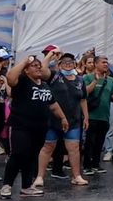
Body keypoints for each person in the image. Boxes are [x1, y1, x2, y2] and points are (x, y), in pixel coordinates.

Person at [1, 54, 67, 198]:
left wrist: (63, 118)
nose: (38, 68)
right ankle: (7, 184)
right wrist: (25, 60)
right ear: (26, 70)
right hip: (21, 125)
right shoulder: (22, 81)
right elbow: (10, 78)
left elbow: (53, 104)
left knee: (31, 156)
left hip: (40, 127)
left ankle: (26, 186)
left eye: (39, 66)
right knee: (18, 153)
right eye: (34, 66)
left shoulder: (44, 85)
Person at [35, 52, 90, 188]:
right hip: (54, 120)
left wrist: (86, 117)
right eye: (64, 62)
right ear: (59, 65)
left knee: (74, 148)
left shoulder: (80, 80)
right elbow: (42, 70)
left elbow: (83, 99)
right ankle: (39, 177)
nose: (68, 64)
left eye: (71, 62)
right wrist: (51, 55)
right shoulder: (54, 77)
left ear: (75, 64)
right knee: (48, 147)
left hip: (74, 120)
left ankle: (76, 176)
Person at [82, 55, 113, 174]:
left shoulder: (110, 80)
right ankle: (87, 165)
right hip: (91, 116)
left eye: (107, 62)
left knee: (99, 142)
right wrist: (95, 81)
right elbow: (85, 92)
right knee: (89, 142)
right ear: (96, 64)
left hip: (104, 116)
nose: (106, 64)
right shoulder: (88, 77)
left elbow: (112, 96)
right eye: (103, 62)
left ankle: (96, 164)